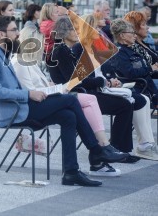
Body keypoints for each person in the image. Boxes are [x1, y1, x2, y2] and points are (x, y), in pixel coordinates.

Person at [0, 15, 126, 186]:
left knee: (68, 116)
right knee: (70, 100)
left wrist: (40, 92)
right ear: (1, 33)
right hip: (11, 112)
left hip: (20, 106)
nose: (18, 33)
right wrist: (29, 94)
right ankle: (96, 150)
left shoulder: (1, 53)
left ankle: (71, 172)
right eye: (14, 30)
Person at [12, 25, 125, 177]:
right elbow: (32, 93)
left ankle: (74, 169)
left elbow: (40, 87)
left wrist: (55, 87)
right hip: (32, 106)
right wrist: (59, 89)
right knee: (77, 101)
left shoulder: (29, 61)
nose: (43, 47)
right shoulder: (21, 62)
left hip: (42, 101)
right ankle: (99, 149)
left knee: (70, 115)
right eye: (41, 43)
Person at [48, 17, 140, 162]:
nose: (78, 32)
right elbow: (73, 82)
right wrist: (101, 82)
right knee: (124, 105)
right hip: (76, 94)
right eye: (74, 29)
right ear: (64, 32)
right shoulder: (61, 51)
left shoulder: (66, 50)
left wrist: (103, 81)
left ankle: (116, 149)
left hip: (82, 92)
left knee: (126, 104)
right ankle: (112, 148)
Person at [109, 18, 158, 160]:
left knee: (143, 100)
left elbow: (144, 69)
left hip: (146, 88)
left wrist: (148, 69)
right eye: (131, 32)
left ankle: (147, 144)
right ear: (122, 35)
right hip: (137, 88)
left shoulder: (132, 49)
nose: (134, 35)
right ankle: (145, 145)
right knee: (142, 100)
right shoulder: (119, 52)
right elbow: (129, 73)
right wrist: (148, 69)